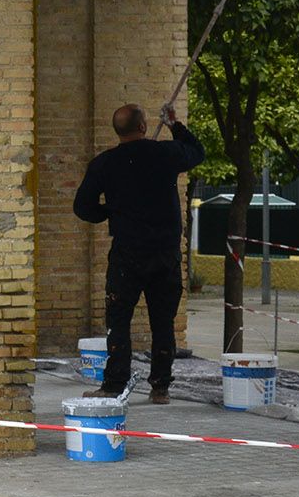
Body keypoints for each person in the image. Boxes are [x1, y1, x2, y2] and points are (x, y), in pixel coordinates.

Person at [73, 102, 206, 403]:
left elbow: (82, 207)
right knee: (163, 321)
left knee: (118, 321)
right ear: (144, 127)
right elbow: (196, 152)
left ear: (117, 130)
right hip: (164, 254)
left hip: (127, 255)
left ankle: (114, 384)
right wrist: (174, 124)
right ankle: (160, 386)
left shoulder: (104, 164)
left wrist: (109, 211)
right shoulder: (165, 154)